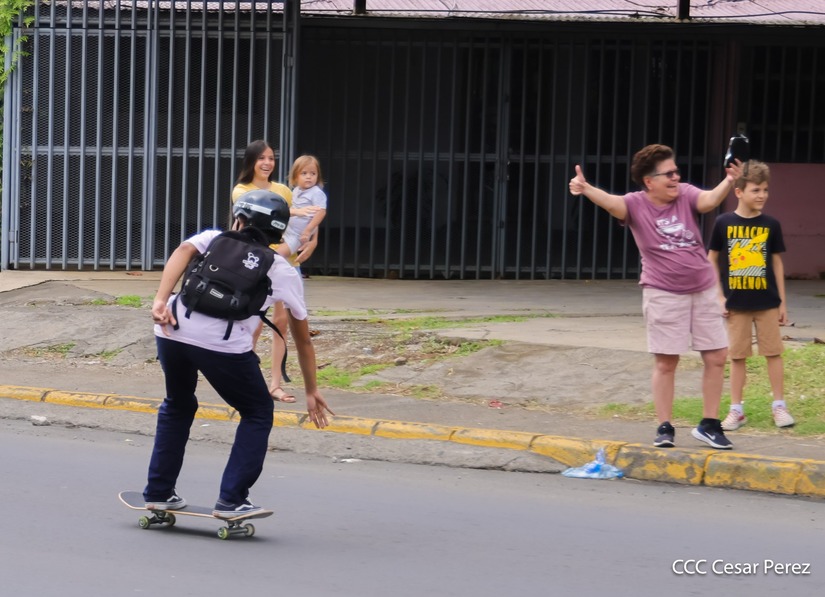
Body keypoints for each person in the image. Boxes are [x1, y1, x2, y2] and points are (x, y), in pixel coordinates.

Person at [144, 190, 334, 517]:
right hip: (222, 347)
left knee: (178, 402)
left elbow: (182, 251)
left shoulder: (214, 238)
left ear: (240, 218)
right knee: (258, 411)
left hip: (172, 331)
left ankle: (159, 492)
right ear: (277, 232)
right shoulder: (281, 269)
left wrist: (160, 299)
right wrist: (311, 390)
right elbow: (302, 340)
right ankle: (231, 500)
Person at [569, 144, 743, 449]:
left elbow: (708, 200)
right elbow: (612, 203)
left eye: (676, 171)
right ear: (650, 181)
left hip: (702, 289)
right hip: (663, 293)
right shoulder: (636, 205)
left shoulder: (686, 194)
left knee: (716, 356)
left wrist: (729, 180)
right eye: (669, 173)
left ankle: (710, 425)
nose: (676, 177)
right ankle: (665, 427)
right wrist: (585, 189)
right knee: (666, 362)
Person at [707, 160, 795, 430]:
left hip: (767, 302)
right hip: (736, 305)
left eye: (766, 190)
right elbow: (711, 260)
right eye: (756, 190)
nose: (762, 196)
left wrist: (782, 302)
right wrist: (719, 297)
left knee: (773, 353)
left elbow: (777, 263)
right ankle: (736, 409)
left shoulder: (771, 224)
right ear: (739, 192)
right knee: (737, 356)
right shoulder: (723, 223)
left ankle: (779, 406)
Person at [231, 140, 320, 404]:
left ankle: (275, 384)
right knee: (254, 323)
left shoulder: (283, 189)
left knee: (281, 324)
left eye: (271, 158)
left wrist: (313, 240)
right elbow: (263, 213)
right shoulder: (241, 190)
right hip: (257, 262)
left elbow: (303, 219)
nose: (267, 163)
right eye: (261, 158)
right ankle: (245, 380)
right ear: (251, 162)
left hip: (287, 261)